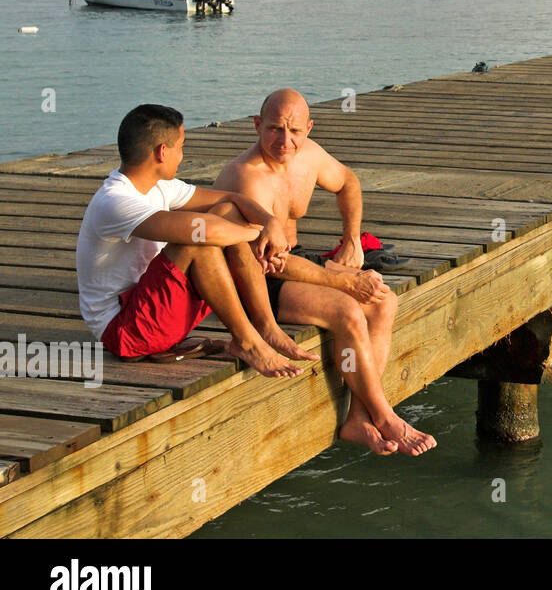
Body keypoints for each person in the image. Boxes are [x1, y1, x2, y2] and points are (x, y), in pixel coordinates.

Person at [214, 89, 436, 456]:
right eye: (274, 129)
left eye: (295, 131)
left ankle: (358, 416)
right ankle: (385, 415)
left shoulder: (309, 156)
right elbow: (271, 261)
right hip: (253, 273)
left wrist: (352, 240)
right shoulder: (247, 176)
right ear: (256, 125)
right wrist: (343, 279)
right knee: (347, 310)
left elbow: (348, 182)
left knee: (384, 302)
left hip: (293, 258)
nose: (285, 141)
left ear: (309, 128)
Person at [75, 104, 316, 377]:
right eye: (180, 147)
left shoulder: (159, 186)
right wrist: (260, 235)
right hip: (124, 332)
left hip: (152, 309)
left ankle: (267, 328)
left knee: (226, 214)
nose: (182, 155)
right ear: (161, 152)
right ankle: (248, 342)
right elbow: (203, 233)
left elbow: (231, 199)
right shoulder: (115, 202)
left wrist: (271, 222)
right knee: (196, 242)